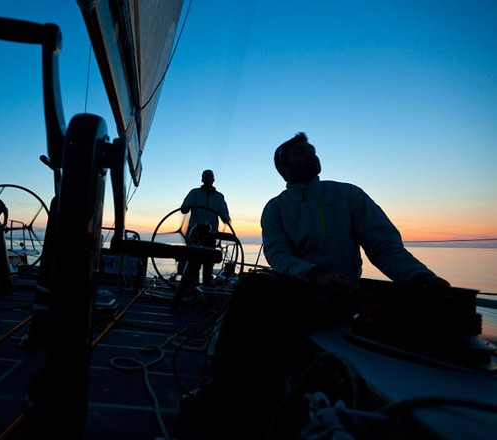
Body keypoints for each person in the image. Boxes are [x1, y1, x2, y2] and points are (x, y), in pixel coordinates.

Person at [179, 132, 450, 438]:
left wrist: (420, 277)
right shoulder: (276, 208)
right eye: (301, 152)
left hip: (343, 297)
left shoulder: (349, 195)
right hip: (300, 292)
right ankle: (226, 393)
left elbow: (384, 246)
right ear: (284, 168)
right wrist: (315, 273)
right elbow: (278, 254)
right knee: (251, 289)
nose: (311, 154)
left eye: (312, 150)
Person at [173, 170, 231, 307]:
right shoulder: (194, 193)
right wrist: (187, 206)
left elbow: (225, 217)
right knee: (193, 265)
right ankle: (192, 291)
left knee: (208, 265)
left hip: (210, 236)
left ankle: (206, 294)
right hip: (195, 235)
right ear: (202, 179)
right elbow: (184, 209)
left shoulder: (220, 197)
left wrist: (225, 219)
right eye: (206, 177)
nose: (208, 179)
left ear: (213, 179)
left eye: (210, 177)